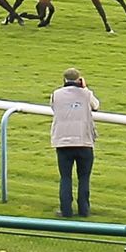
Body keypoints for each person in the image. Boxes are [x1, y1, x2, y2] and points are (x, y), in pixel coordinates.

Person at [50, 67, 100, 218]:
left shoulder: (56, 95)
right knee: (84, 178)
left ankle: (66, 211)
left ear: (64, 79)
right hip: (84, 141)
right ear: (79, 79)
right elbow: (96, 105)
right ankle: (84, 210)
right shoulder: (86, 94)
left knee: (65, 177)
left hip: (63, 142)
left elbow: (55, 109)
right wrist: (85, 88)